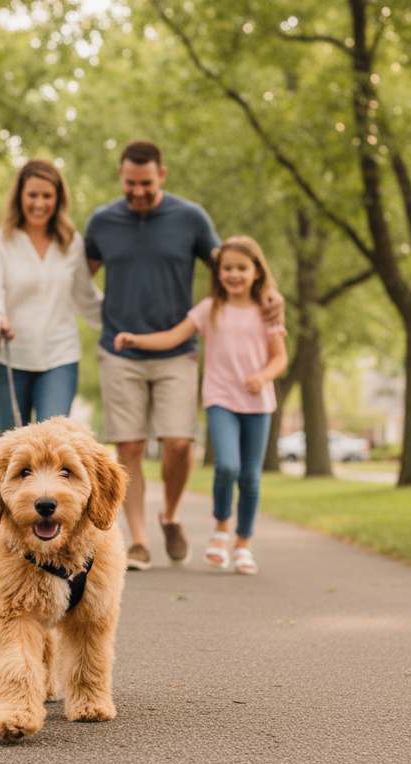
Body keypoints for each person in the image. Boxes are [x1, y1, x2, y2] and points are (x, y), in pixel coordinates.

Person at [86, 140, 283, 570]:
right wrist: (96, 315)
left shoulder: (190, 217)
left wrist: (268, 295)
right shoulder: (102, 221)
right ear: (120, 175)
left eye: (146, 183)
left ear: (163, 175)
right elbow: (79, 276)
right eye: (129, 183)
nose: (137, 191)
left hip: (178, 349)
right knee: (130, 446)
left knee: (178, 443)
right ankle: (137, 539)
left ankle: (170, 515)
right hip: (120, 347)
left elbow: (231, 266)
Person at [115, 236, 288, 574]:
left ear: (256, 271)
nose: (234, 274)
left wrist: (264, 375)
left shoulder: (268, 311)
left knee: (250, 477)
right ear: (218, 272)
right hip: (221, 400)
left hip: (257, 403)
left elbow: (280, 358)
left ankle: (243, 544)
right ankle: (221, 529)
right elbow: (173, 336)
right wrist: (136, 339)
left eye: (242, 267)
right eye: (227, 268)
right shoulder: (210, 309)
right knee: (227, 467)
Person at [0, 159, 103, 434]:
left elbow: (87, 298)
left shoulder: (71, 243)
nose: (39, 203)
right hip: (8, 357)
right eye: (32, 195)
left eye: (47, 196)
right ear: (19, 196)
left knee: (53, 439)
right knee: (13, 449)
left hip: (59, 356)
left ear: (58, 200)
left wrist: (127, 316)